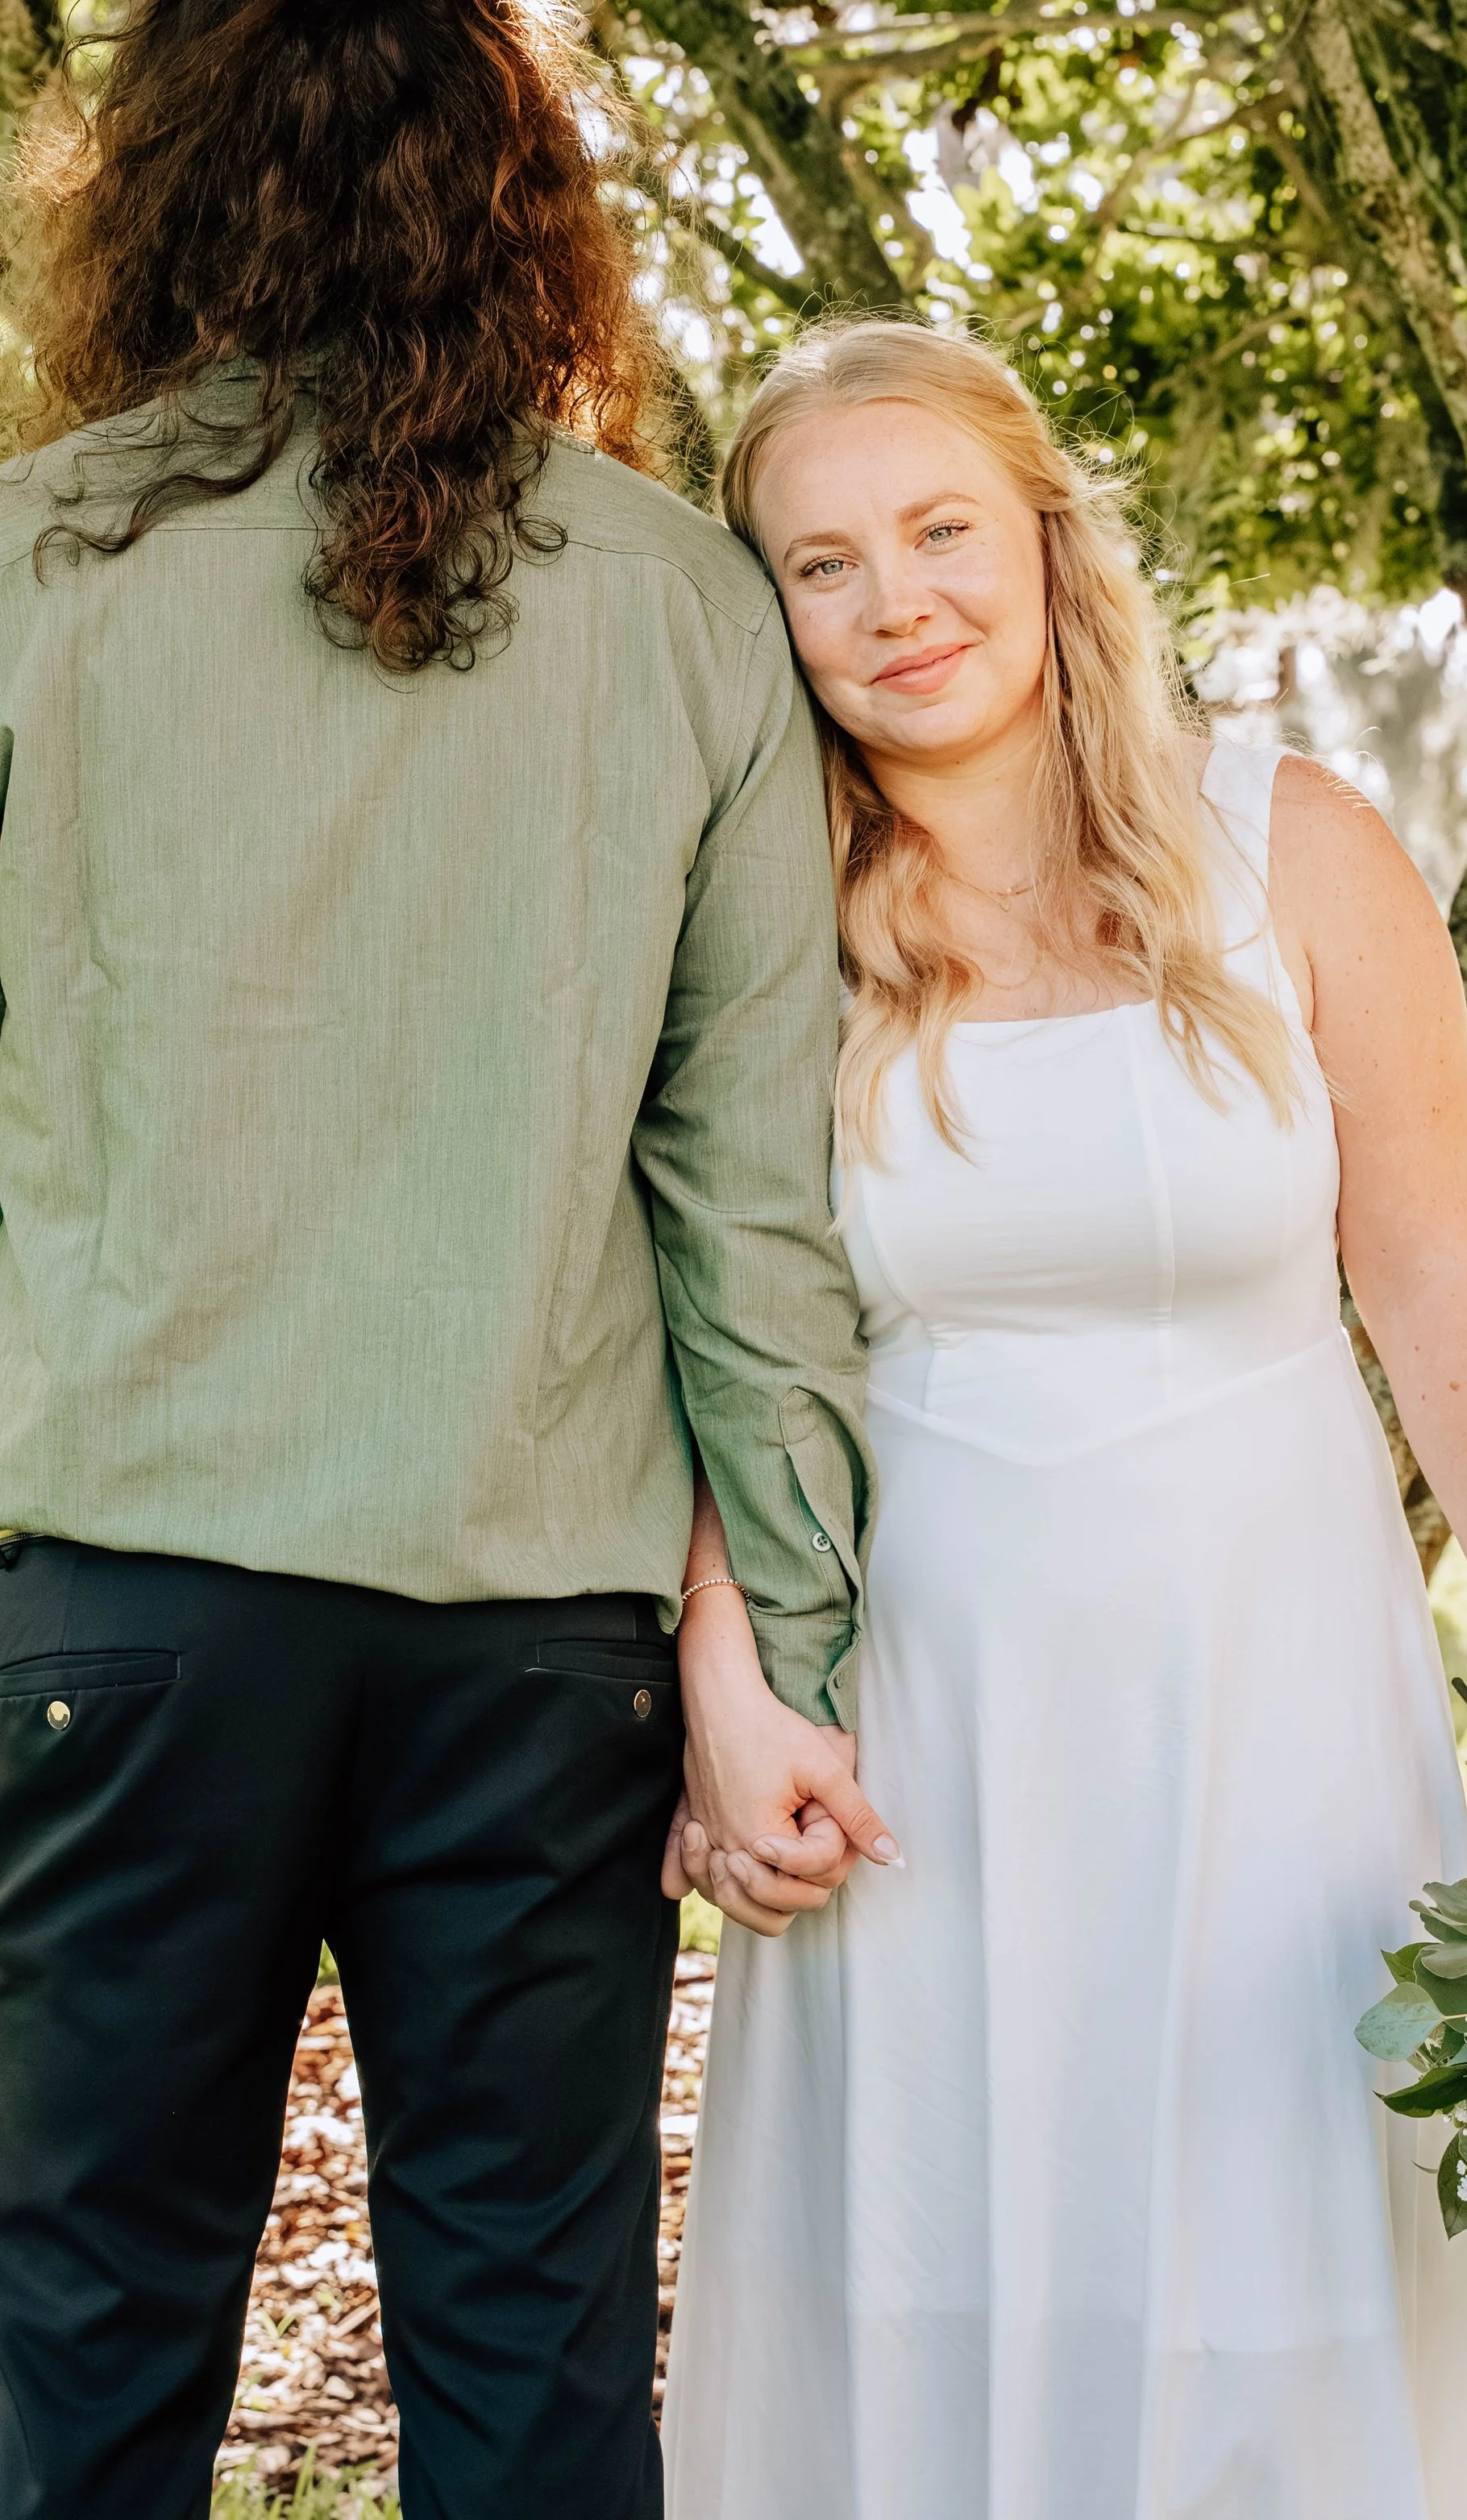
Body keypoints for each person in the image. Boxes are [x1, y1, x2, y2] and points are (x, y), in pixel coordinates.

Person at [659, 319, 1467, 2520]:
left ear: (1045, 540)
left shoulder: (1290, 841)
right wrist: (723, 1692)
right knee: (930, 2248)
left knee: (1268, 2250)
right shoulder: (756, 916)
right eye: (818, 563)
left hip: (1276, 1690)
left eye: (938, 529)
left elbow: (1429, 1300)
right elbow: (731, 1340)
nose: (893, 600)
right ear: (763, 612)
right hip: (930, 1703)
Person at [0, 8, 891, 2518]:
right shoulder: (690, 606)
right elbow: (750, 1202)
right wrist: (786, 1652)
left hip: (116, 1616)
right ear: (527, 206)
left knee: (73, 2353)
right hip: (541, 1648)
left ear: (154, 187)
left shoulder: (33, 571)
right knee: (533, 2357)